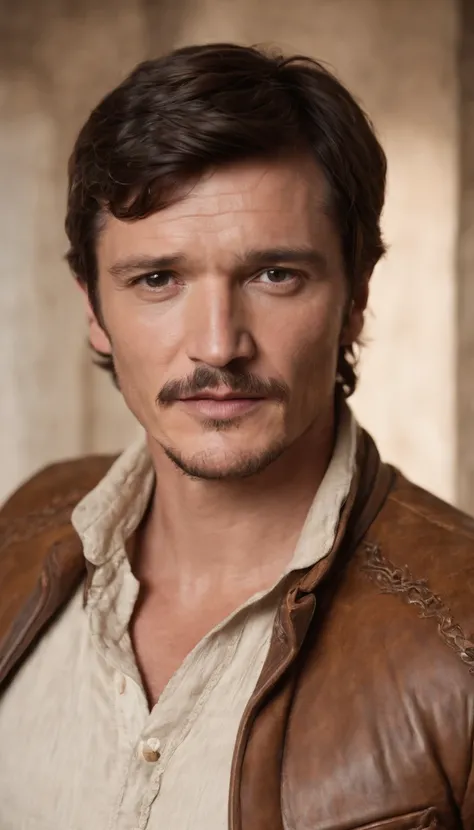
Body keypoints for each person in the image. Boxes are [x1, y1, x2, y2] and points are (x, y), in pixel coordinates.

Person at [0, 42, 473, 830]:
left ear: (356, 296)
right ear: (92, 308)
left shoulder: (460, 630)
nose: (218, 345)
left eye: (274, 275)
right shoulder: (22, 531)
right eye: (158, 279)